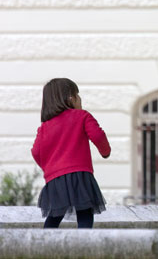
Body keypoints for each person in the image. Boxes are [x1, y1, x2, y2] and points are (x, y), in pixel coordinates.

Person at [31, 78, 111, 228]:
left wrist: (49, 167)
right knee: (85, 212)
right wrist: (105, 152)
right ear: (71, 98)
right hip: (80, 174)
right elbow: (98, 135)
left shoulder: (44, 128)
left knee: (55, 215)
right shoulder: (82, 116)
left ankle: (44, 243)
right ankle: (84, 244)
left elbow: (36, 152)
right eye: (78, 94)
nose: (80, 99)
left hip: (55, 179)